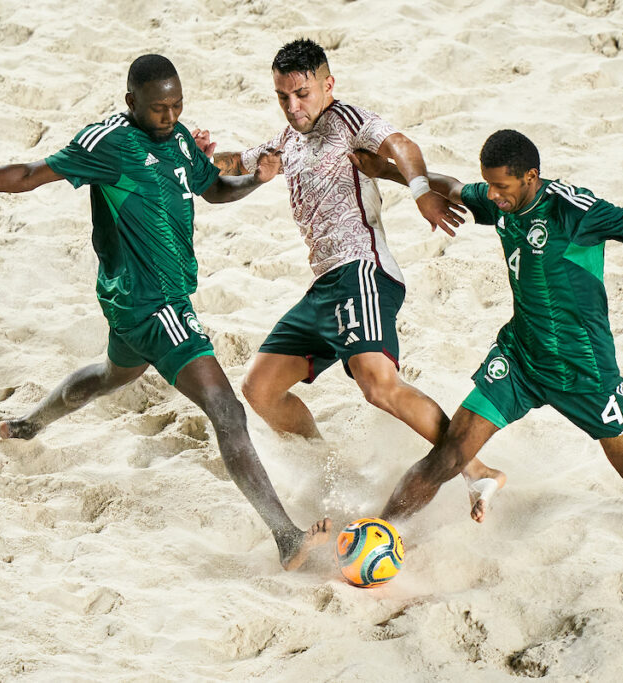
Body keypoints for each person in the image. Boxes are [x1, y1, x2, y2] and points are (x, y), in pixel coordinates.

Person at [0, 54, 332, 570]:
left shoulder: (181, 139)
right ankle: (285, 538)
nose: (169, 117)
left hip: (133, 304)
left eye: (177, 105)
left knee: (111, 373)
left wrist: (255, 179)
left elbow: (211, 189)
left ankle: (28, 425)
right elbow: (28, 175)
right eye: (158, 108)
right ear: (131, 103)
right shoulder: (108, 143)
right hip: (154, 303)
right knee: (226, 409)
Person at [351, 129, 623, 540]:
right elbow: (456, 188)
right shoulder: (502, 202)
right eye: (490, 185)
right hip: (521, 359)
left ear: (531, 178)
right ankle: (383, 531)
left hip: (585, 368)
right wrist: (387, 172)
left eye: (502, 187)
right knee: (449, 455)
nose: (494, 196)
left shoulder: (575, 211)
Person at [195, 39, 506, 522]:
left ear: (327, 84)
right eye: (283, 96)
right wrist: (199, 156)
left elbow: (401, 145)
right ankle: (329, 468)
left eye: (301, 93)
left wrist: (422, 192)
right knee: (259, 389)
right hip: (325, 285)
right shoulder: (288, 138)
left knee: (378, 386)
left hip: (362, 269)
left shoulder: (346, 121)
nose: (293, 106)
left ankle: (476, 468)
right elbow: (237, 162)